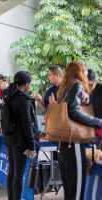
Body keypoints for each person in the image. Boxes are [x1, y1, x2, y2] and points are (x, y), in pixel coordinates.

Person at [55, 61, 102, 200]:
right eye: (85, 70)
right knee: (77, 191)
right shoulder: (77, 85)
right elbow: (73, 111)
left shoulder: (64, 87)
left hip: (63, 143)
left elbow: (69, 108)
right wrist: (98, 122)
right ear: (80, 71)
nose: (87, 73)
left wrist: (86, 101)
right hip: (74, 143)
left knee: (70, 189)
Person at [4, 71, 38, 200]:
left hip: (9, 138)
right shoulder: (23, 99)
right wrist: (32, 144)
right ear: (26, 84)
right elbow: (27, 124)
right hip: (20, 141)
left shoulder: (10, 95)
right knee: (19, 173)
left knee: (12, 172)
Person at [88, 69, 102, 147]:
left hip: (99, 126)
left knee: (91, 145)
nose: (88, 88)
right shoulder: (85, 92)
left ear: (95, 81)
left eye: (90, 85)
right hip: (92, 124)